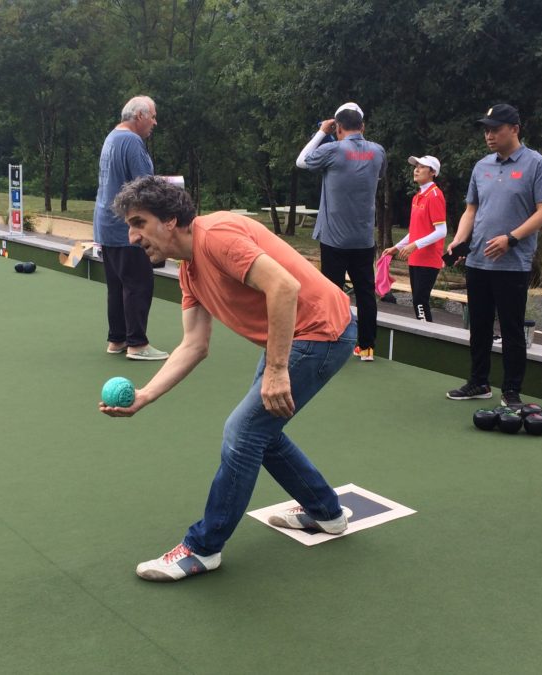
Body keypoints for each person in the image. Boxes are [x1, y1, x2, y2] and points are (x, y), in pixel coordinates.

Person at [101, 176, 355, 582]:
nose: (132, 237)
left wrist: (275, 370)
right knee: (261, 433)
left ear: (169, 220)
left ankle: (203, 548)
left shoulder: (215, 236)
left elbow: (284, 287)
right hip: (295, 334)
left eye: (139, 223)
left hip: (322, 332)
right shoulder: (189, 271)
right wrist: (145, 396)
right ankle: (327, 514)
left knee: (243, 432)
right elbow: (193, 345)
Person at [444, 104, 542, 406]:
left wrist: (511, 238)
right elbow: (472, 209)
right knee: (478, 325)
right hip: (478, 260)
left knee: (511, 328)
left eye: (496, 129)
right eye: (486, 130)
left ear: (515, 129)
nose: (489, 135)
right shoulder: (482, 166)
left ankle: (511, 390)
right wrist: (459, 241)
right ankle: (479, 382)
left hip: (512, 264)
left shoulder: (536, 164)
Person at [296, 102, 386, 361]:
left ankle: (333, 340)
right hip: (363, 238)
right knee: (366, 292)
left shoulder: (333, 149)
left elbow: (302, 162)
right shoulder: (378, 151)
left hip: (334, 238)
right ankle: (367, 347)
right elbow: (377, 175)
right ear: (363, 126)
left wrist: (321, 132)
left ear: (338, 128)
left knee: (332, 292)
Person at [93, 96, 168, 361]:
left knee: (117, 285)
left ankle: (117, 339)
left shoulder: (112, 137)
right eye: (153, 116)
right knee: (139, 283)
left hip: (106, 225)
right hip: (127, 228)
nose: (155, 123)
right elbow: (145, 186)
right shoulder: (132, 142)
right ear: (139, 116)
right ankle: (137, 344)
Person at [383, 155, 447, 321]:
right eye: (416, 166)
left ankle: (427, 338)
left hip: (428, 258)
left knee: (420, 300)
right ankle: (424, 333)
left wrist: (415, 245)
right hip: (416, 257)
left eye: (422, 167)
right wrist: (397, 247)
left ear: (433, 172)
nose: (416, 170)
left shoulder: (435, 195)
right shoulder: (417, 196)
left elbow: (442, 231)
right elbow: (415, 230)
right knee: (417, 300)